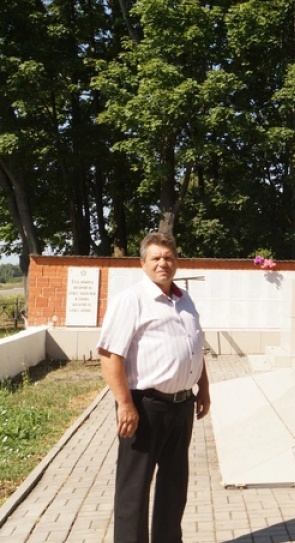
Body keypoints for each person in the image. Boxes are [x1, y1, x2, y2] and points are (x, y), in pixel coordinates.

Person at [97, 232, 210, 543]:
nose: (164, 263)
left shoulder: (185, 300)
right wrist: (124, 404)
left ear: (177, 262)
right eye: (156, 258)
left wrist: (204, 389)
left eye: (169, 257)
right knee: (134, 490)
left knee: (174, 487)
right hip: (144, 407)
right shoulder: (131, 300)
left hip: (182, 406)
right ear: (143, 263)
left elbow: (195, 347)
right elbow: (109, 354)